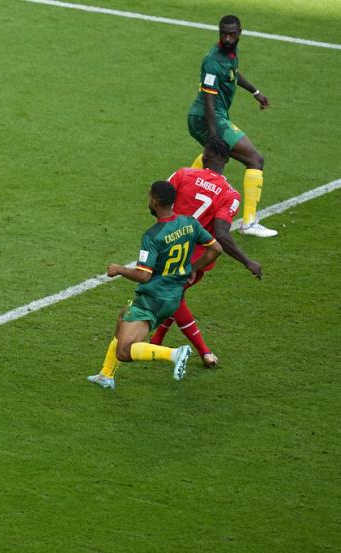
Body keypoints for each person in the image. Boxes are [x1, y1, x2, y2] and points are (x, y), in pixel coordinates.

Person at [87, 181, 223, 390]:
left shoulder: (152, 236)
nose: (148, 200)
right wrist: (192, 268)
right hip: (173, 297)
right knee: (124, 316)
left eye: (150, 196)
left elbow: (143, 275)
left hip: (152, 298)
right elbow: (216, 249)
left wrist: (119, 269)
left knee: (124, 352)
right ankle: (106, 375)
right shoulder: (190, 223)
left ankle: (174, 354)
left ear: (156, 202)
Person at [150, 137, 263, 366]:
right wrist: (247, 261)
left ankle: (203, 351)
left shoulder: (183, 174)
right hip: (197, 259)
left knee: (172, 299)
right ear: (227, 161)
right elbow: (222, 234)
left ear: (204, 156)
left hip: (169, 251)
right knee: (174, 297)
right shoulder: (230, 195)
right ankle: (158, 341)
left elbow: (160, 202)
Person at [187, 14, 275, 237]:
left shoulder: (230, 54)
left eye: (232, 34)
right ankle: (249, 222)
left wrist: (255, 92)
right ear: (219, 32)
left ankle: (181, 194)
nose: (227, 38)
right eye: (223, 34)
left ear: (239, 34)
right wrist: (215, 135)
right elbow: (208, 101)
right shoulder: (213, 61)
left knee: (210, 158)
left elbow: (233, 74)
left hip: (212, 117)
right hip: (207, 117)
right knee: (255, 159)